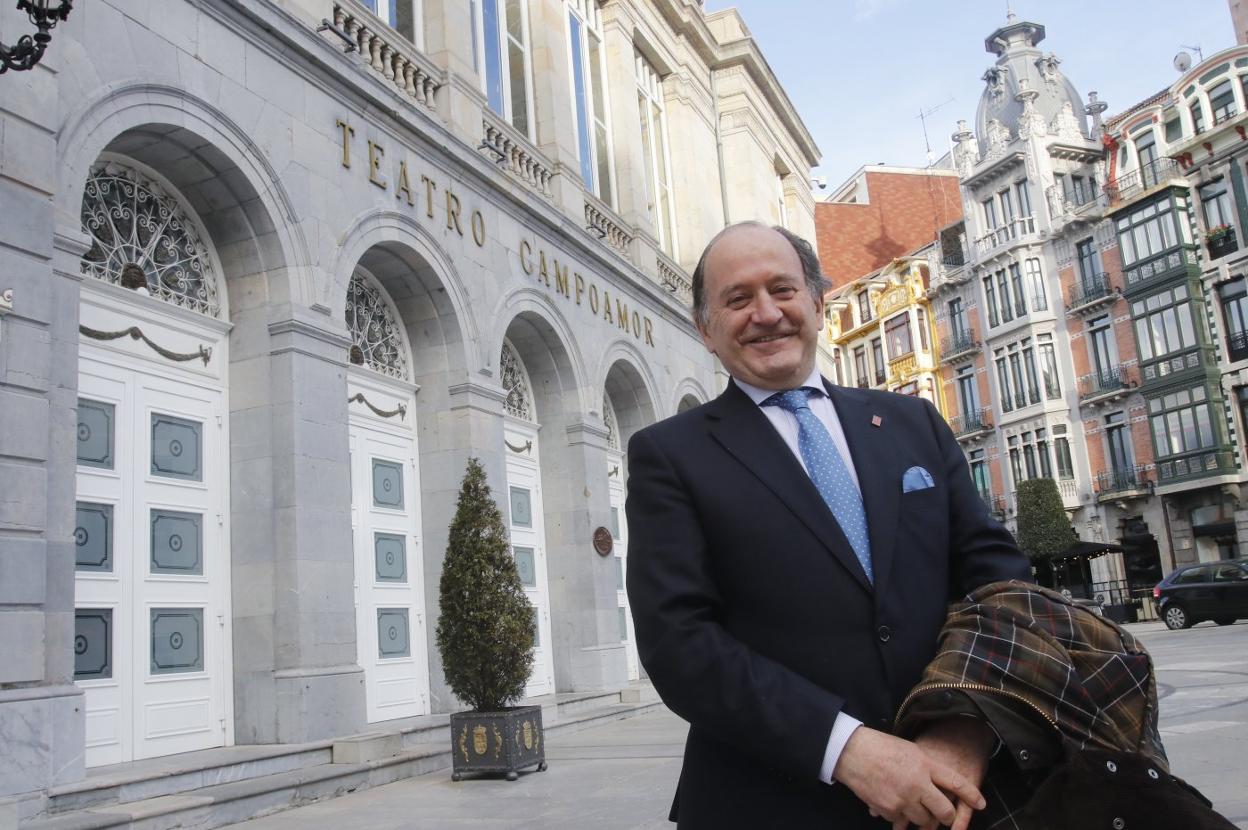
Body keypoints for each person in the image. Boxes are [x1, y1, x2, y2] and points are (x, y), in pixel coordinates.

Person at [624, 222, 1032, 829]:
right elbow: (677, 642)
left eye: (782, 289)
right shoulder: (669, 455)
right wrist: (845, 748)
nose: (766, 313)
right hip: (768, 805)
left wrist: (967, 730)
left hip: (954, 794)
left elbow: (1001, 586)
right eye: (737, 299)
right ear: (705, 330)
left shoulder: (914, 423)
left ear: (818, 303)